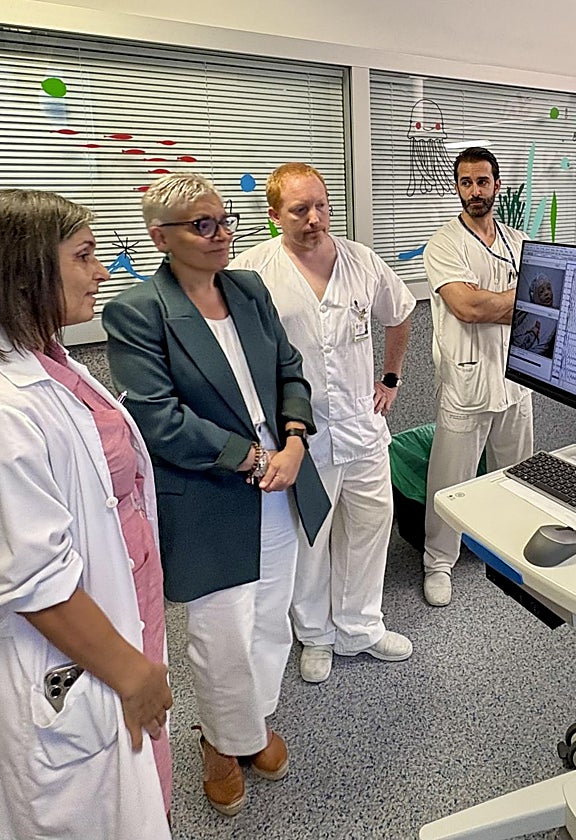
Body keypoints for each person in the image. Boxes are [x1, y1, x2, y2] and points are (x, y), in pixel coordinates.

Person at [0, 189, 172, 838]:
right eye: (84, 256)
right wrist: (131, 672)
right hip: (68, 660)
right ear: (22, 271)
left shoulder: (48, 362)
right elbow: (32, 581)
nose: (102, 270)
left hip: (115, 623)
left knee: (136, 801)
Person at [103, 173, 330, 816]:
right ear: (161, 237)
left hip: (281, 472)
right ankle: (219, 742)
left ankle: (250, 724)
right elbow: (157, 415)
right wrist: (252, 458)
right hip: (210, 484)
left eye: (225, 220)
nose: (222, 235)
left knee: (269, 612)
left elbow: (290, 368)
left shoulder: (248, 288)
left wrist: (292, 441)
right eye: (203, 225)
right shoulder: (138, 309)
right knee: (220, 626)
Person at [230, 163, 416, 684]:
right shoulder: (252, 273)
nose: (314, 219)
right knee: (310, 540)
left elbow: (400, 313)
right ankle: (315, 635)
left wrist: (392, 378)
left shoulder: (361, 261)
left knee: (369, 528)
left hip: (362, 425)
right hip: (298, 436)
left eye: (321, 206)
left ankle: (361, 626)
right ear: (274, 215)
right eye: (299, 210)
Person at [420, 147, 535, 607]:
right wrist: (518, 300)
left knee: (518, 471)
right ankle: (438, 561)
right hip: (465, 379)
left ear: (497, 185)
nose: (475, 191)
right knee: (452, 478)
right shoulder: (444, 245)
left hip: (516, 376)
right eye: (466, 182)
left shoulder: (519, 240)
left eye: (482, 181)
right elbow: (467, 309)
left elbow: (543, 300)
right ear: (457, 188)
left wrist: (498, 303)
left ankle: (508, 543)